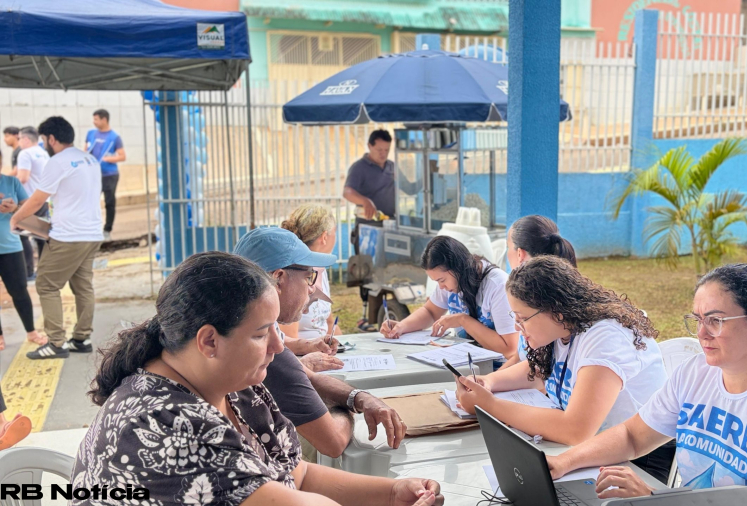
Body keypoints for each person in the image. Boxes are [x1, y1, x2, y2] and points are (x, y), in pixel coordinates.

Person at [73, 252, 443, 506]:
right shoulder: (167, 426)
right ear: (208, 341)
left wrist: (393, 493)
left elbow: (296, 476)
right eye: (261, 333)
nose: (279, 344)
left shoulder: (236, 388)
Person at [546, 264, 747, 506]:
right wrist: (565, 462)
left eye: (716, 321)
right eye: (697, 319)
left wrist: (652, 497)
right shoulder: (696, 373)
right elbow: (633, 436)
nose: (702, 333)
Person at [454, 256, 671, 480]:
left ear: (556, 311)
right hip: (586, 454)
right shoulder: (562, 329)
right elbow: (537, 370)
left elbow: (575, 430)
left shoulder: (605, 337)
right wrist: (490, 382)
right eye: (515, 318)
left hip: (637, 464)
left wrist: (489, 405)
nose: (518, 328)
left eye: (523, 318)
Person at [234, 227, 408, 458]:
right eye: (308, 276)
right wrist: (343, 409)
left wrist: (360, 398)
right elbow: (333, 442)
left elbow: (306, 376)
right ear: (278, 278)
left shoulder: (253, 323)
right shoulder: (260, 343)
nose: (313, 287)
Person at [12, 116, 103, 360]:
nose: (44, 144)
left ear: (51, 138)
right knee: (83, 285)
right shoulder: (90, 159)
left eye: (44, 140)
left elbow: (38, 199)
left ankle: (55, 343)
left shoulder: (59, 161)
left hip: (69, 236)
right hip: (92, 233)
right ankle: (81, 338)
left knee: (46, 284)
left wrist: (16, 218)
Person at [381, 235, 518, 359]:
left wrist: (463, 320)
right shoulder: (453, 281)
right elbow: (430, 312)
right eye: (437, 282)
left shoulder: (498, 286)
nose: (441, 287)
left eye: (442, 280)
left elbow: (509, 349)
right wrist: (401, 326)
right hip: (465, 362)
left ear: (458, 268)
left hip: (498, 370)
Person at [343, 129, 418, 331]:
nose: (383, 154)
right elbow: (347, 191)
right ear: (369, 146)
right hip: (367, 228)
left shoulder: (392, 167)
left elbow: (409, 188)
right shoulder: (359, 168)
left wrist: (429, 175)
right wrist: (365, 201)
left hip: (389, 226)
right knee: (367, 273)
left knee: (389, 270)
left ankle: (386, 313)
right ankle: (365, 316)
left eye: (386, 149)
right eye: (379, 150)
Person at [502, 214, 578, 370]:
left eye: (508, 247)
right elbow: (522, 358)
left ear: (519, 254)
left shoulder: (547, 303)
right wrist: (487, 382)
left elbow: (540, 374)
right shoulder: (525, 296)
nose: (517, 326)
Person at [280, 204, 342, 353]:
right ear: (325, 237)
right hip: (302, 360)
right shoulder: (294, 273)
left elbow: (329, 322)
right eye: (335, 233)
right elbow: (287, 345)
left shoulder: (320, 267)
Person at [0, 151, 45, 346]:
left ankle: (31, 332)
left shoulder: (12, 183)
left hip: (11, 246)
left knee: (19, 291)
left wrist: (14, 209)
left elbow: (29, 214)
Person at [12, 126, 50, 279]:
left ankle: (28, 272)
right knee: (40, 236)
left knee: (22, 236)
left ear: (26, 139)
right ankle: (43, 271)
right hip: (43, 199)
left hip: (28, 201)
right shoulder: (43, 152)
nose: (19, 141)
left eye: (20, 138)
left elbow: (22, 178)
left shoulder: (25, 153)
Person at [85, 109, 126, 241]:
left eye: (96, 119)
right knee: (91, 201)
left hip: (109, 175)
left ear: (104, 119)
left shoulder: (114, 137)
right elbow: (86, 150)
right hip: (93, 174)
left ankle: (107, 230)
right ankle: (92, 228)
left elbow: (122, 156)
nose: (93, 122)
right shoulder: (90, 134)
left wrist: (109, 159)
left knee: (109, 202)